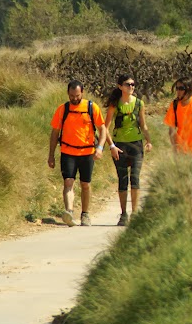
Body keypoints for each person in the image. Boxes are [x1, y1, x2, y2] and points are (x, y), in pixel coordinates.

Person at [48, 80, 106, 227]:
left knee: (85, 184)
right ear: (68, 94)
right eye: (72, 96)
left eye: (77, 96)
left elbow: (103, 129)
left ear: (82, 93)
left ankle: (85, 214)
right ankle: (69, 212)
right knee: (68, 182)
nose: (74, 99)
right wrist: (51, 154)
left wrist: (100, 148)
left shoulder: (92, 108)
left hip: (87, 152)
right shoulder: (62, 109)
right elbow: (55, 133)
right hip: (68, 152)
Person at [105, 74, 152, 227]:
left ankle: (135, 213)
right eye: (127, 84)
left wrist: (149, 140)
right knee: (123, 180)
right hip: (120, 146)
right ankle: (124, 214)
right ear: (120, 86)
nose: (131, 87)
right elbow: (105, 128)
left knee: (135, 179)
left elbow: (143, 124)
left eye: (133, 84)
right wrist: (111, 146)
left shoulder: (139, 103)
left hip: (136, 145)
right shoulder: (114, 104)